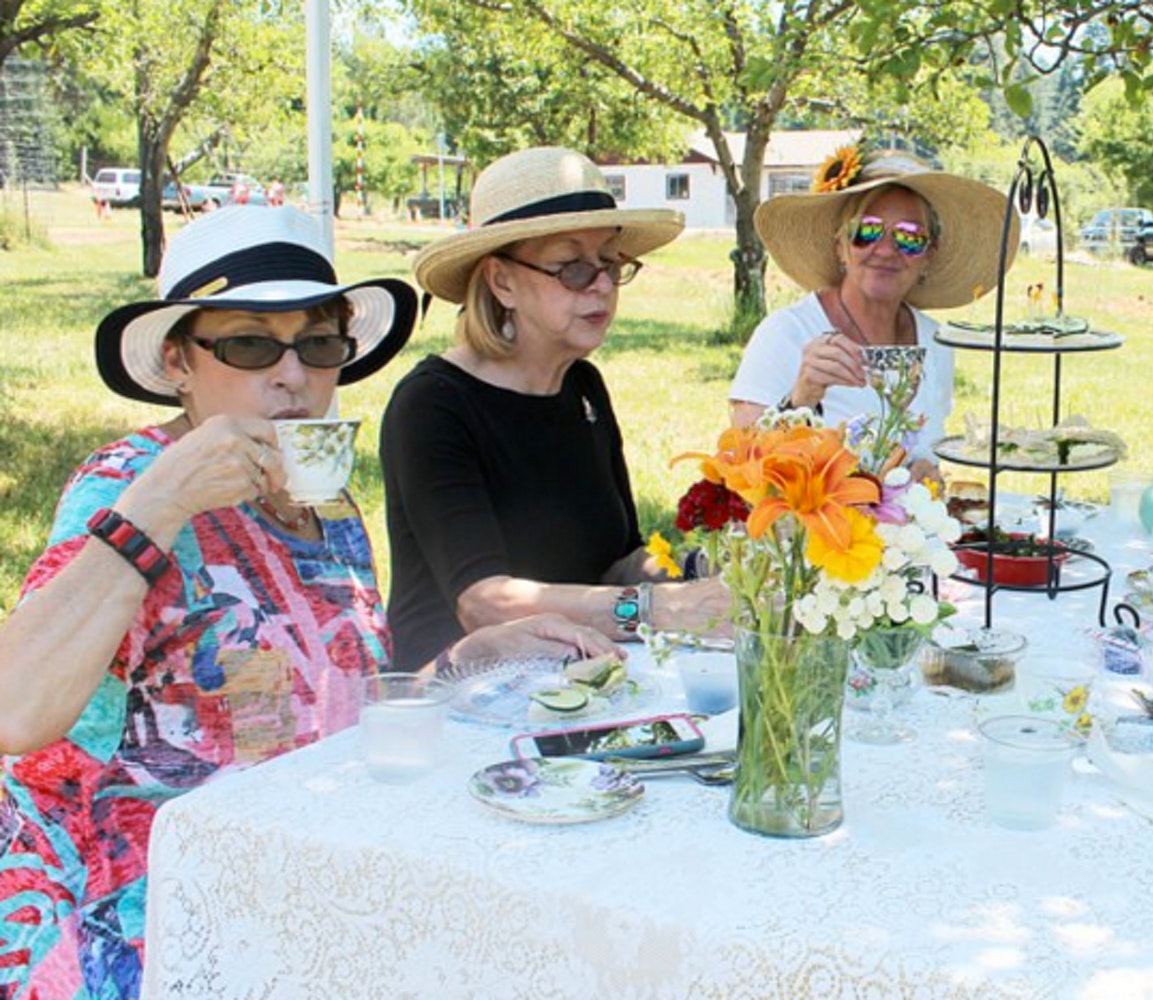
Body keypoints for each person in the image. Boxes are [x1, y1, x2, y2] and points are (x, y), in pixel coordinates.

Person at [0, 206, 624, 999]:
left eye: (320, 344)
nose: (293, 376)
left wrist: (462, 665)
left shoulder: (326, 509)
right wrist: (160, 504)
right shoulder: (128, 484)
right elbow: (15, 714)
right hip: (135, 911)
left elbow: (327, 718)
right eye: (251, 344)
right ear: (177, 360)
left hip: (299, 864)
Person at [387, 146, 729, 671]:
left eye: (611, 264)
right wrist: (660, 609)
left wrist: (707, 566)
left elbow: (617, 564)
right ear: (502, 281)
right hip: (464, 697)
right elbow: (484, 603)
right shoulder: (433, 405)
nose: (602, 287)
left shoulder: (582, 387)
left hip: (588, 676)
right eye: (572, 268)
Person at [729, 148, 1017, 479]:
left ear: (928, 255)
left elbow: (925, 456)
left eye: (908, 237)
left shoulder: (936, 342)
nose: (885, 250)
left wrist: (926, 474)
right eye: (867, 231)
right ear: (840, 246)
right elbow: (742, 464)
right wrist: (802, 398)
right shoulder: (787, 332)